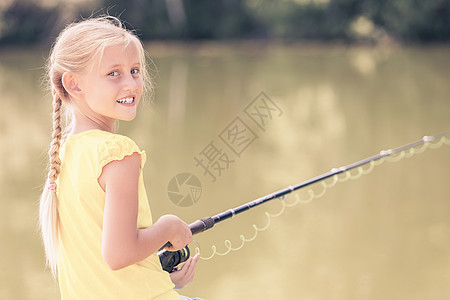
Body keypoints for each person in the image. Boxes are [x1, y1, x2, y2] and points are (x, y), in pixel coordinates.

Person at [39, 16, 202, 299]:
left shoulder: (64, 154)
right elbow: (119, 253)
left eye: (135, 70)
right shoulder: (118, 153)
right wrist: (169, 227)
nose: (131, 84)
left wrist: (164, 280)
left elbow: (100, 261)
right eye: (114, 73)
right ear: (73, 84)